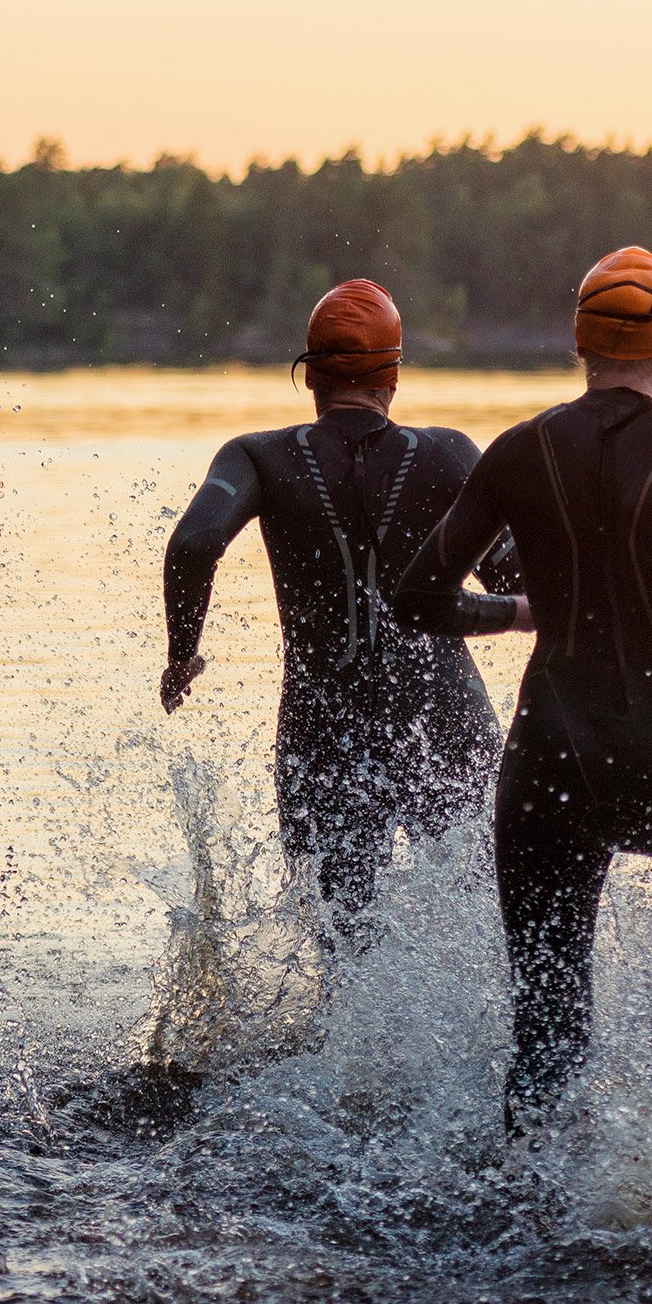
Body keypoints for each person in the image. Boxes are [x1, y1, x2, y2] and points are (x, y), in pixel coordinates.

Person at [392, 246, 652, 1125]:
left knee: (547, 1029)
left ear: (579, 344)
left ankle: (532, 1208)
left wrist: (512, 614)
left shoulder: (518, 450)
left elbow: (417, 597)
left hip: (553, 766)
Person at [161, 279, 531, 949]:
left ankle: (350, 1054)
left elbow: (193, 543)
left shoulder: (259, 457)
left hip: (325, 729)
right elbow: (517, 579)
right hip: (443, 721)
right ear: (394, 373)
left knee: (347, 949)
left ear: (309, 376)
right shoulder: (448, 453)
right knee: (482, 925)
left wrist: (182, 652)